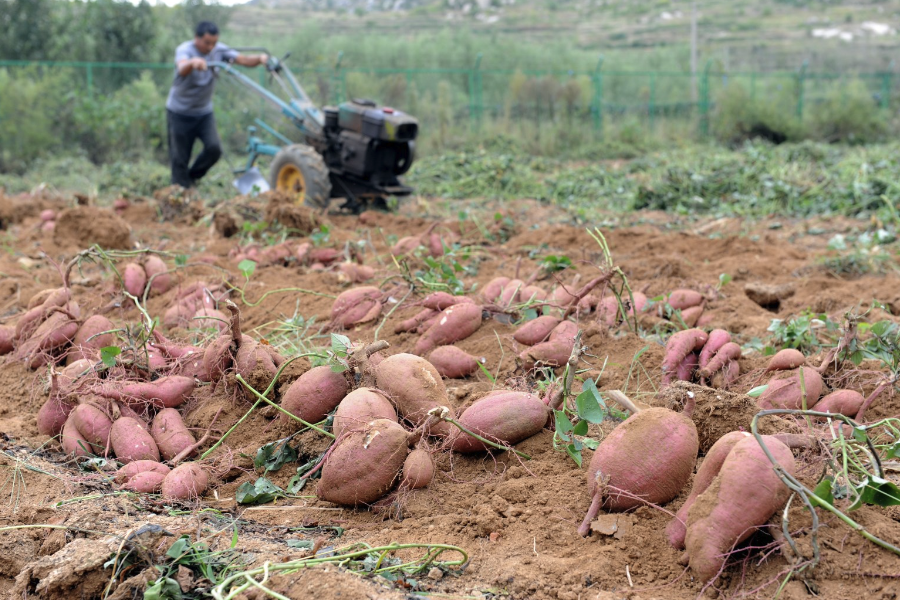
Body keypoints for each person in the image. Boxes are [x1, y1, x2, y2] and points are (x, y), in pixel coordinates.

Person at [166, 21, 268, 189]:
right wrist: (193, 63)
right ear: (196, 38)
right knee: (179, 157)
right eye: (207, 43)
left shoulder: (218, 50)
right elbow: (182, 66)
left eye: (213, 42)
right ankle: (180, 192)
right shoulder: (185, 50)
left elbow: (242, 59)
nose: (210, 47)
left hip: (203, 113)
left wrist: (260, 59)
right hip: (180, 113)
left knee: (214, 149)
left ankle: (191, 178)